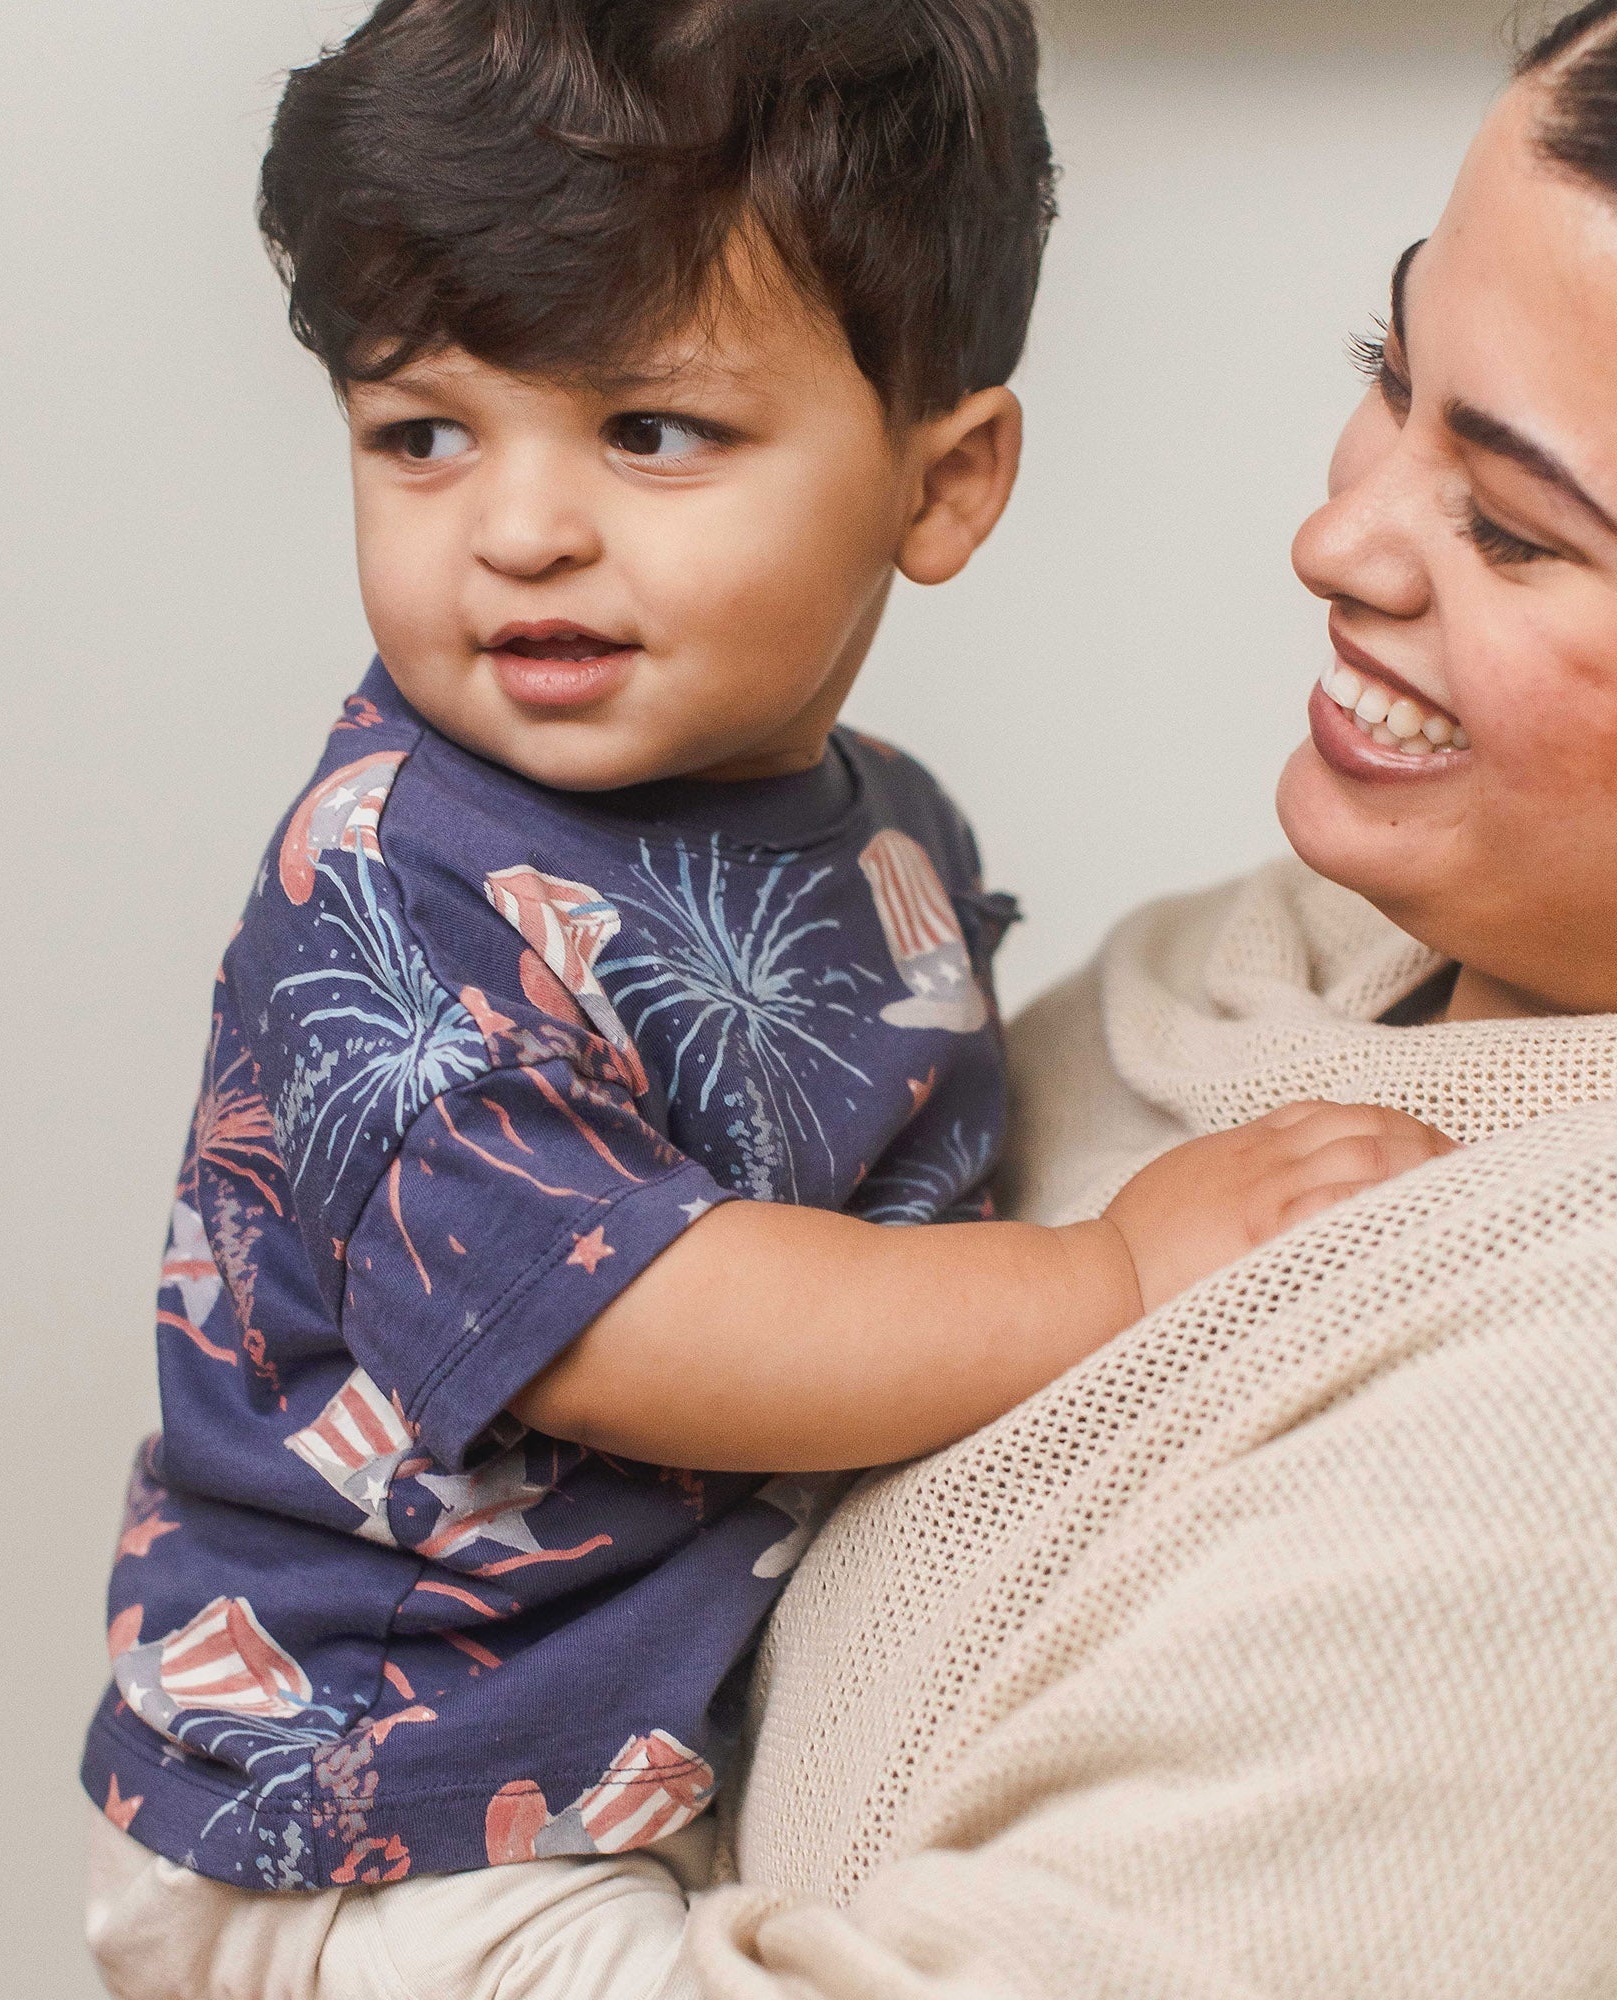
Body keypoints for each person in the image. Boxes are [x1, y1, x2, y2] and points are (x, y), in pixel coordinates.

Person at [79, 2, 1445, 1995]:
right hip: (385, 1815)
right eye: (423, 431)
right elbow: (634, 1321)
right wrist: (1117, 1279)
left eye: (649, 431)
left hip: (644, 1758)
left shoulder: (881, 835)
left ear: (944, 481)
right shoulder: (391, 888)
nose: (520, 524)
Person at [690, 6, 1617, 1994]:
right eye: (1390, 368)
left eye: (1519, 528)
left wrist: (298, 1936)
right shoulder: (1246, 966)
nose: (1332, 538)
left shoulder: (1566, 1479)